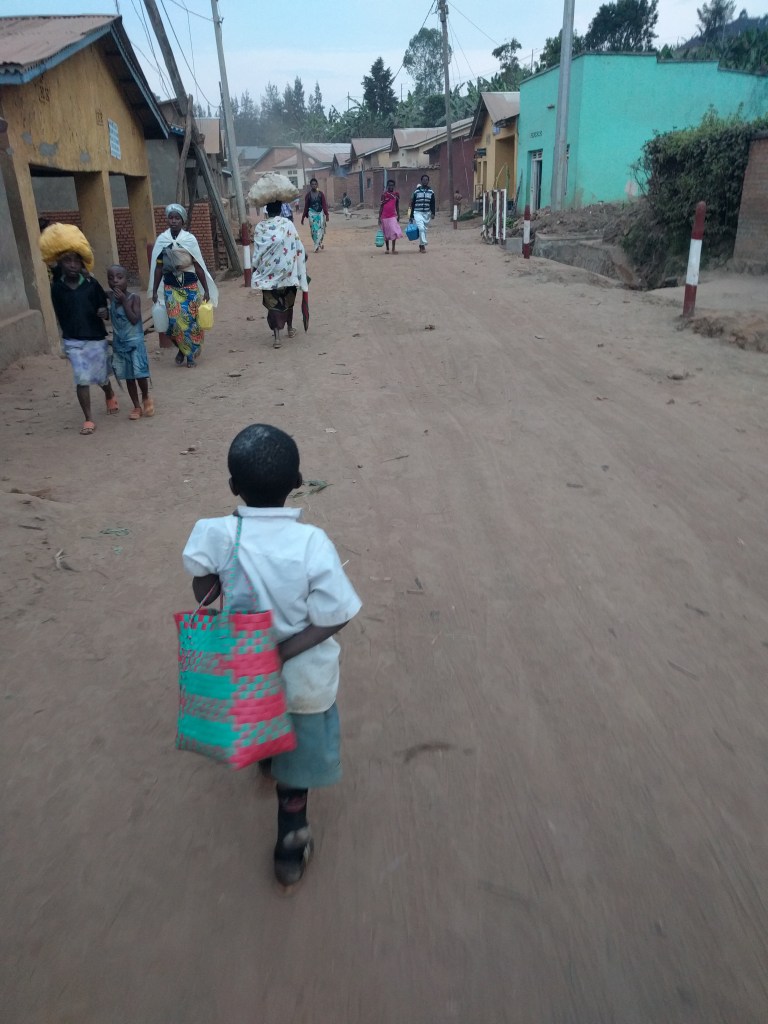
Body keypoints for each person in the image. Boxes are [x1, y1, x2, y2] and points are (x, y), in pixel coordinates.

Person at [182, 423, 362, 888]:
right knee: (295, 774)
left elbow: (204, 587)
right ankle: (290, 844)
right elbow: (335, 614)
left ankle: (265, 751)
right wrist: (282, 654)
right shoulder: (312, 544)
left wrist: (224, 582)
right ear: (297, 481)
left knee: (263, 717)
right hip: (303, 679)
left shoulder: (215, 533)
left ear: (233, 487)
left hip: (243, 667)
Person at [50, 250, 117, 436]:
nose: (72, 265)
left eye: (76, 262)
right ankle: (88, 418)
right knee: (82, 378)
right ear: (61, 264)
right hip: (73, 340)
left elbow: (102, 305)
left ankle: (109, 393)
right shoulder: (57, 288)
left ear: (82, 265)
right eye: (67, 261)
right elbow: (60, 314)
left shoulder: (91, 285)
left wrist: (103, 311)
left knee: (100, 375)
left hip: (95, 337)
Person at [149, 203, 218, 368]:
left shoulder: (189, 240)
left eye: (177, 218)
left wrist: (206, 290)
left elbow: (198, 266)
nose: (173, 221)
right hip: (171, 288)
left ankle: (190, 356)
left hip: (190, 288)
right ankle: (183, 349)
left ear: (183, 221)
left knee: (191, 323)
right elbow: (158, 267)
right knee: (174, 323)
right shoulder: (162, 241)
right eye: (171, 218)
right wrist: (154, 290)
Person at [252, 199, 308, 349]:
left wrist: (255, 267)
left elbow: (257, 251)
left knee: (273, 303)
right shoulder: (287, 224)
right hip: (287, 271)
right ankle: (289, 328)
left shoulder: (260, 227)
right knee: (288, 300)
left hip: (267, 273)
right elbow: (298, 245)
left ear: (267, 211)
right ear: (279, 210)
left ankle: (277, 337)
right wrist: (302, 258)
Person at [107, 264, 154, 420]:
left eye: (120, 278)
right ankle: (136, 406)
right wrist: (104, 314)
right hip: (120, 345)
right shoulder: (111, 301)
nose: (115, 281)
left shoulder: (133, 298)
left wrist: (124, 301)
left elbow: (134, 319)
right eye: (111, 278)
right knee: (129, 377)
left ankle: (146, 396)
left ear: (127, 279)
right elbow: (112, 317)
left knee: (140, 374)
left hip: (135, 343)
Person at [408, 173, 436, 253]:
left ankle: (421, 245)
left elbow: (432, 203)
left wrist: (433, 213)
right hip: (418, 212)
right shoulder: (416, 191)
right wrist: (411, 216)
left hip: (426, 213)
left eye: (426, 180)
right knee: (421, 228)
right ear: (421, 181)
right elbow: (413, 204)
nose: (425, 181)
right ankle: (423, 244)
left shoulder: (431, 192)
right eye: (423, 180)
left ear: (428, 181)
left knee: (424, 230)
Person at [301, 178, 329, 252]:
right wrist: (303, 217)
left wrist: (327, 214)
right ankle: (316, 245)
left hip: (320, 213)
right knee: (314, 230)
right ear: (310, 185)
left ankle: (318, 243)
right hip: (311, 214)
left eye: (315, 184)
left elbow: (324, 205)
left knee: (321, 229)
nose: (314, 185)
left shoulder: (321, 194)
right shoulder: (308, 195)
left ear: (317, 185)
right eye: (312, 184)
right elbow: (306, 206)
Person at [378, 178, 403, 255]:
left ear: (394, 186)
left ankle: (393, 249)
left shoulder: (396, 195)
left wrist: (398, 215)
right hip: (384, 216)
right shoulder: (384, 195)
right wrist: (379, 217)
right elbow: (381, 206)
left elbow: (397, 206)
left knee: (394, 231)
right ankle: (387, 249)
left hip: (393, 216)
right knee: (386, 233)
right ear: (387, 186)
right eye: (389, 185)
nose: (391, 187)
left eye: (392, 185)